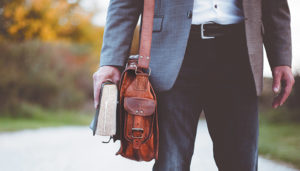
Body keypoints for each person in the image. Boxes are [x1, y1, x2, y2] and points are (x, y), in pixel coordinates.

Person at [93, 0, 295, 170]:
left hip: (240, 52)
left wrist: (281, 58)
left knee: (241, 162)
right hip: (173, 52)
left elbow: (275, 4)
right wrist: (111, 61)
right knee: (171, 163)